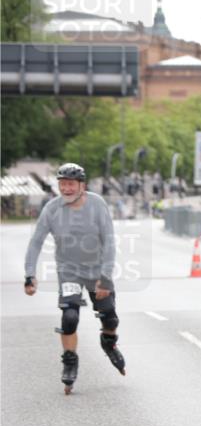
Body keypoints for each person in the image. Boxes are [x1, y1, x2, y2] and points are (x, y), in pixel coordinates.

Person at [24, 163, 125, 394]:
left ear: (82, 186)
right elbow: (36, 242)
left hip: (97, 272)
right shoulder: (52, 208)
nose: (66, 189)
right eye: (62, 184)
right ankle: (70, 363)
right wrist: (30, 274)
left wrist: (105, 278)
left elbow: (109, 242)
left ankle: (108, 343)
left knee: (109, 318)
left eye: (70, 184)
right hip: (69, 272)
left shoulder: (97, 205)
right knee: (69, 317)